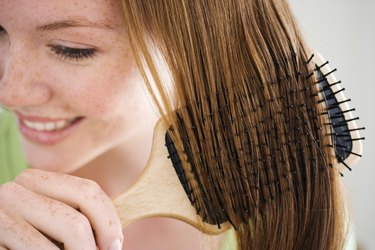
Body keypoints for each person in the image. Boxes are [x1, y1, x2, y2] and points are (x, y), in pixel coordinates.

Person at [0, 0, 354, 249]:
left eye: (71, 49)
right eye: (0, 34)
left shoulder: (298, 218)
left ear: (193, 45)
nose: (9, 93)